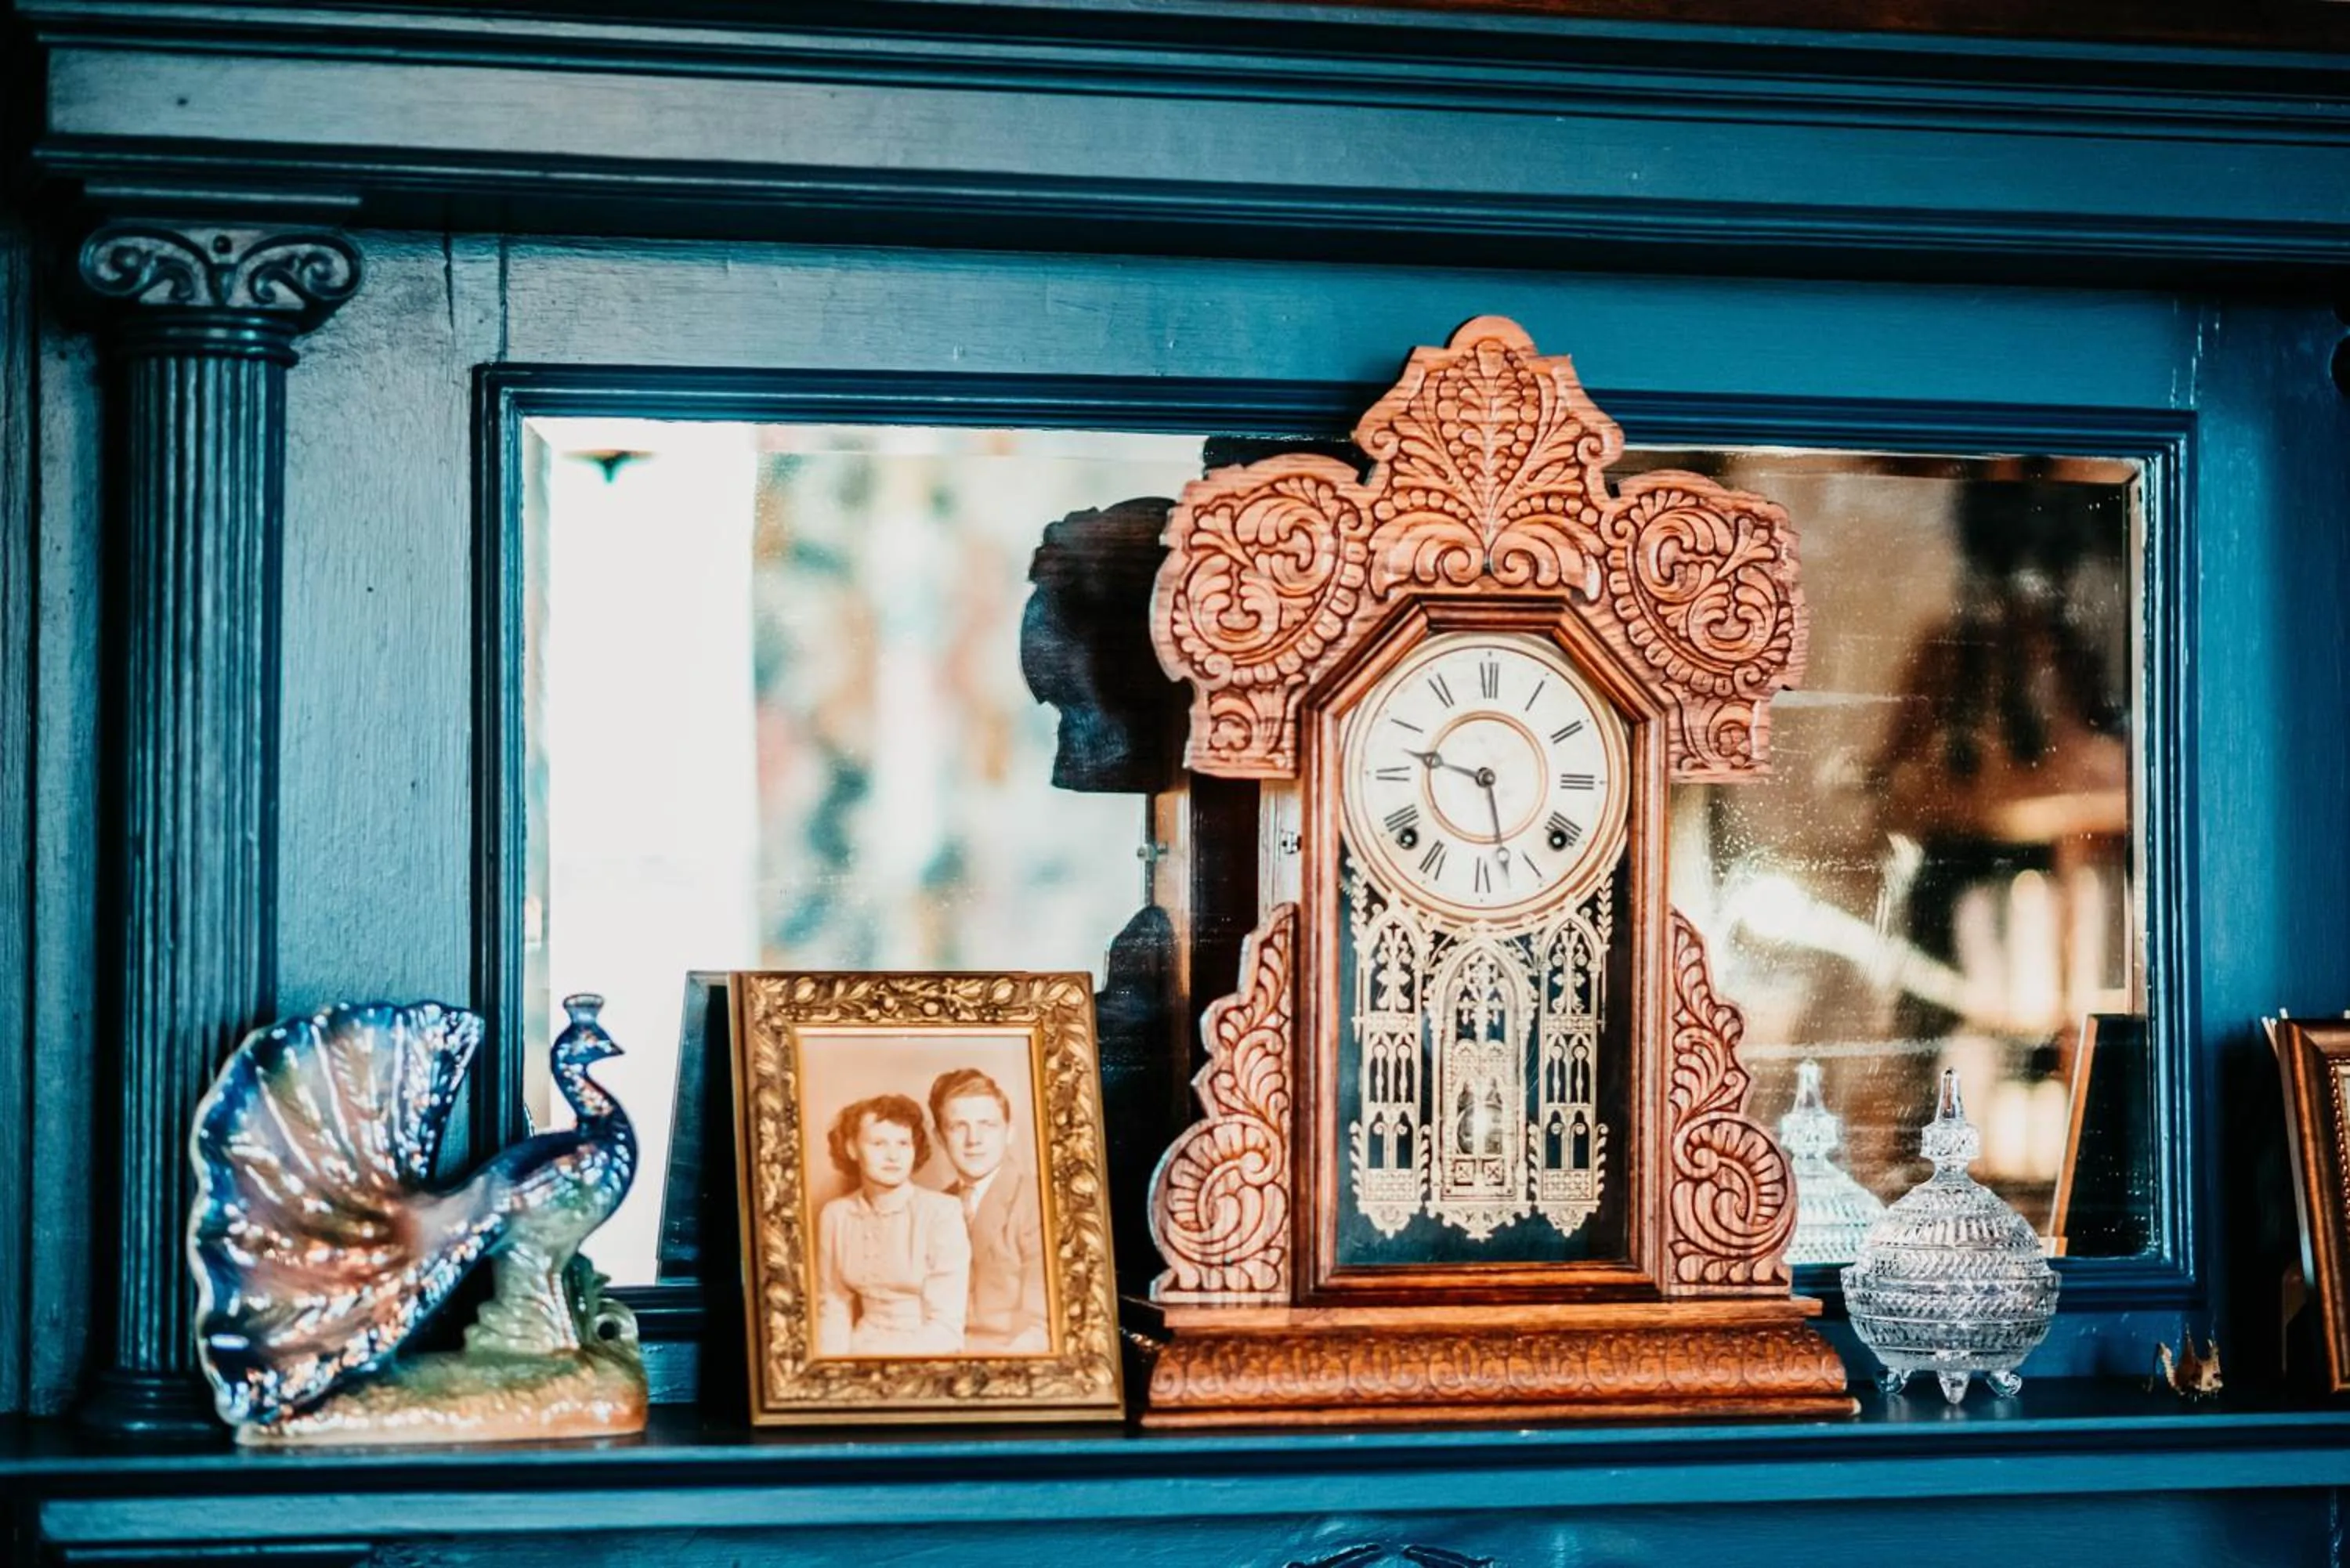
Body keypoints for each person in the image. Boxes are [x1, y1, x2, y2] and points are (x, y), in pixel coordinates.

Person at [813, 1094, 969, 1357]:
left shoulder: (942, 1213)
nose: (894, 1156)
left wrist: (879, 1363)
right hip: (857, 1351)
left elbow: (947, 1329)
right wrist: (834, 1366)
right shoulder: (835, 1215)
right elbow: (833, 1308)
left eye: (903, 1143)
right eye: (878, 1143)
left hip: (927, 1353)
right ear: (852, 1148)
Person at [928, 1068, 1049, 1353]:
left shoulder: (1038, 1201)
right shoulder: (932, 1208)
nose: (974, 1140)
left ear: (1009, 1132)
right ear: (939, 1137)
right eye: (959, 1126)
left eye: (987, 1125)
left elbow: (1044, 1329)